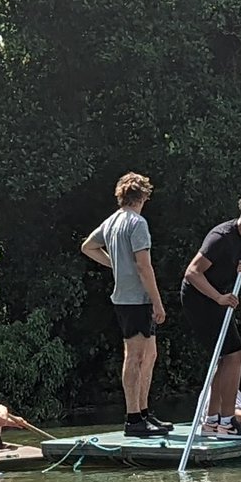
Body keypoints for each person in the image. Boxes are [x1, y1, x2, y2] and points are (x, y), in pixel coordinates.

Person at [80, 172, 171, 437]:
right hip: (136, 300)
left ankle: (143, 412)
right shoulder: (137, 222)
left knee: (150, 355)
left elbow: (88, 246)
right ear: (143, 196)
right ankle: (133, 419)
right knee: (135, 357)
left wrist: (117, 265)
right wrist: (158, 302)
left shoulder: (111, 221)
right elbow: (144, 266)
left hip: (127, 298)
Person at [181, 193, 241, 439]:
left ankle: (212, 421)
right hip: (200, 298)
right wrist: (218, 298)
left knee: (224, 358)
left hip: (221, 297)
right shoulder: (221, 238)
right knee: (235, 354)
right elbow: (192, 273)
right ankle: (227, 422)